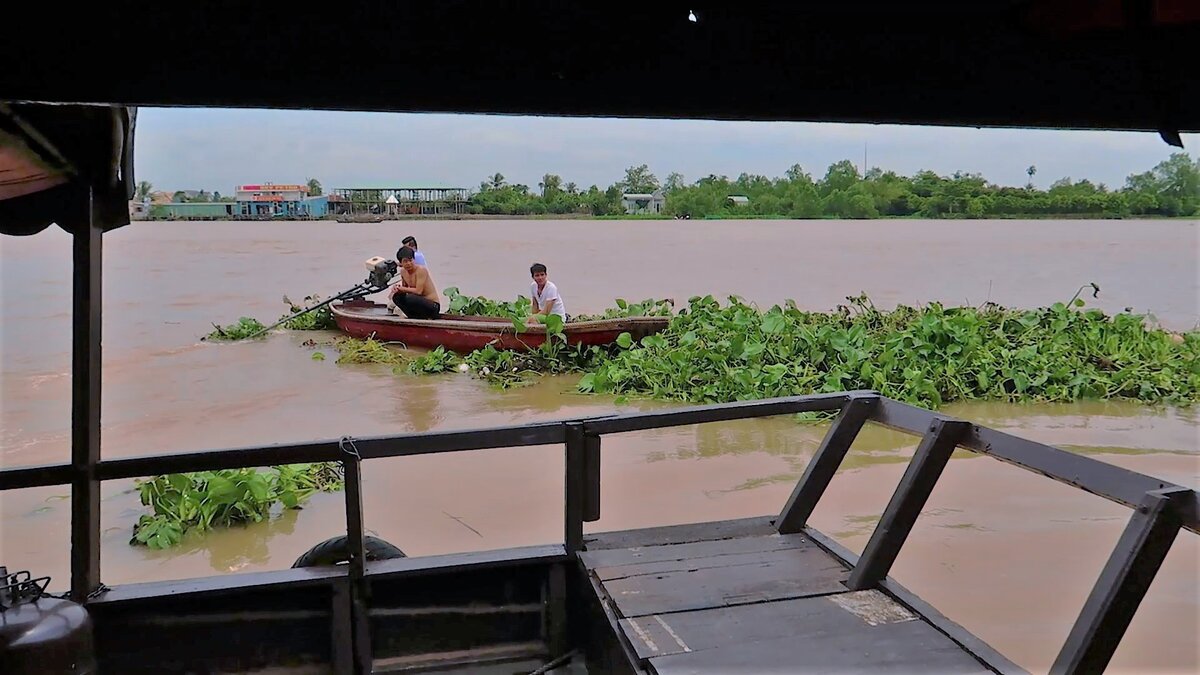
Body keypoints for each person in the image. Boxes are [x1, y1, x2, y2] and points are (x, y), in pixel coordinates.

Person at [389, 247, 441, 319]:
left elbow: (418, 291)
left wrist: (402, 288)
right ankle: (413, 316)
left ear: (414, 259)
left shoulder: (421, 270)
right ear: (400, 263)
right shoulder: (403, 272)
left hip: (432, 306)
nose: (409, 263)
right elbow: (404, 290)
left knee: (410, 297)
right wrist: (396, 289)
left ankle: (427, 316)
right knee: (397, 297)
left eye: (410, 260)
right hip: (418, 304)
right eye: (405, 261)